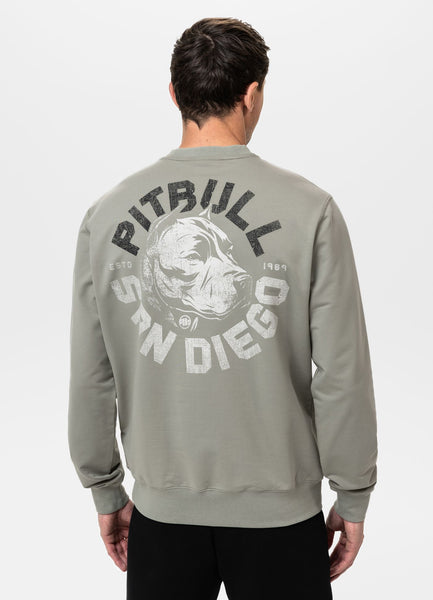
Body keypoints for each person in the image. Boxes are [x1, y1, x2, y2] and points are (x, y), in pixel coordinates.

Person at [68, 16, 378, 600]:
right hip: (281, 517)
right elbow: (341, 373)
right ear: (252, 95)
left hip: (161, 514)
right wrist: (353, 490)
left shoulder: (106, 215)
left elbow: (92, 372)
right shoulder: (311, 210)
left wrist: (105, 488)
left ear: (174, 94)